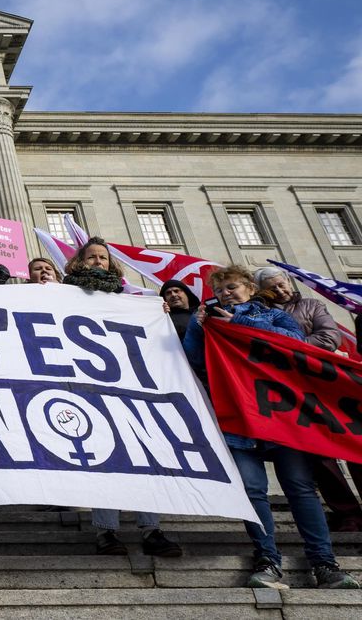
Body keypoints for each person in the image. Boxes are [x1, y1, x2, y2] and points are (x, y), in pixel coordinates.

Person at [184, 264, 358, 589]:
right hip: (238, 417)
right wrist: (197, 327)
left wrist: (241, 323)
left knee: (300, 489)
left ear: (250, 288)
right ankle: (267, 559)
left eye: (232, 287)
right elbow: (195, 361)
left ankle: (324, 563)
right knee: (252, 490)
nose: (225, 294)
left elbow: (295, 341)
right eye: (219, 290)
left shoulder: (274, 315)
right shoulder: (209, 323)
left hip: (281, 416)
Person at [60, 238, 183, 557]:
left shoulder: (130, 297)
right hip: (88, 386)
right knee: (104, 457)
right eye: (92, 257)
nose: (98, 261)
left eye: (103, 257)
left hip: (131, 384)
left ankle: (151, 529)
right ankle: (106, 531)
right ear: (80, 262)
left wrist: (159, 313)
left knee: (144, 453)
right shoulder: (64, 293)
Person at [253, 265, 361, 533]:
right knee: (320, 455)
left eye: (282, 284)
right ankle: (347, 513)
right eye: (273, 288)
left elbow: (329, 337)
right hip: (294, 391)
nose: (280, 290)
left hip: (328, 385)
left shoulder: (312, 305)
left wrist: (288, 346)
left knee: (354, 446)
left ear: (289, 283)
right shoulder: (260, 314)